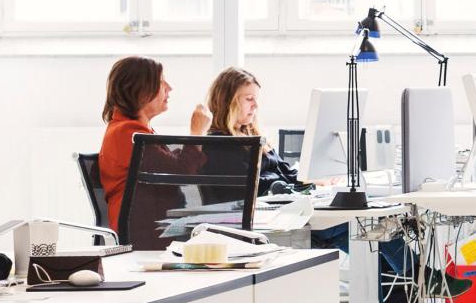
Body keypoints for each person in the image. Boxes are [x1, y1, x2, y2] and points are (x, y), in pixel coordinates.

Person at [204, 67, 353, 254]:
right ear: (227, 102)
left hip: (285, 213)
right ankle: (399, 275)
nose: (255, 106)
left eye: (256, 99)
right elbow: (254, 189)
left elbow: (288, 174)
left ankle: (395, 277)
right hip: (266, 222)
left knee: (357, 230)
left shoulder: (254, 136)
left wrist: (314, 179)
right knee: (353, 228)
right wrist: (294, 188)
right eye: (249, 99)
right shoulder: (218, 145)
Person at [98, 56, 210, 230]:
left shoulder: (133, 131)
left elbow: (169, 165)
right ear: (139, 90)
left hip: (153, 224)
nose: (169, 88)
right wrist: (197, 133)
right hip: (145, 230)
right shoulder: (127, 134)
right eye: (161, 82)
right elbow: (181, 172)